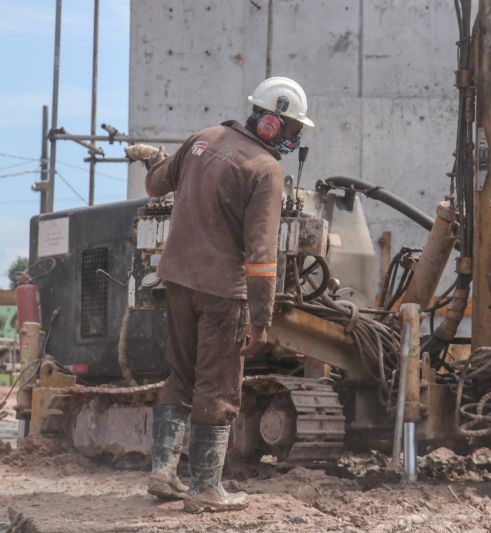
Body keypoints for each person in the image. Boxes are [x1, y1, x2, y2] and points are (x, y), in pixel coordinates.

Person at [125, 77, 314, 513]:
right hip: (221, 293)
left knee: (181, 376)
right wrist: (262, 317)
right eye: (292, 130)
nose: (293, 139)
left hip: (176, 278)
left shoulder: (202, 139)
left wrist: (155, 158)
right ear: (270, 123)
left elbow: (156, 185)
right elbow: (263, 255)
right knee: (219, 385)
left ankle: (164, 473)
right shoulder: (266, 170)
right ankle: (206, 488)